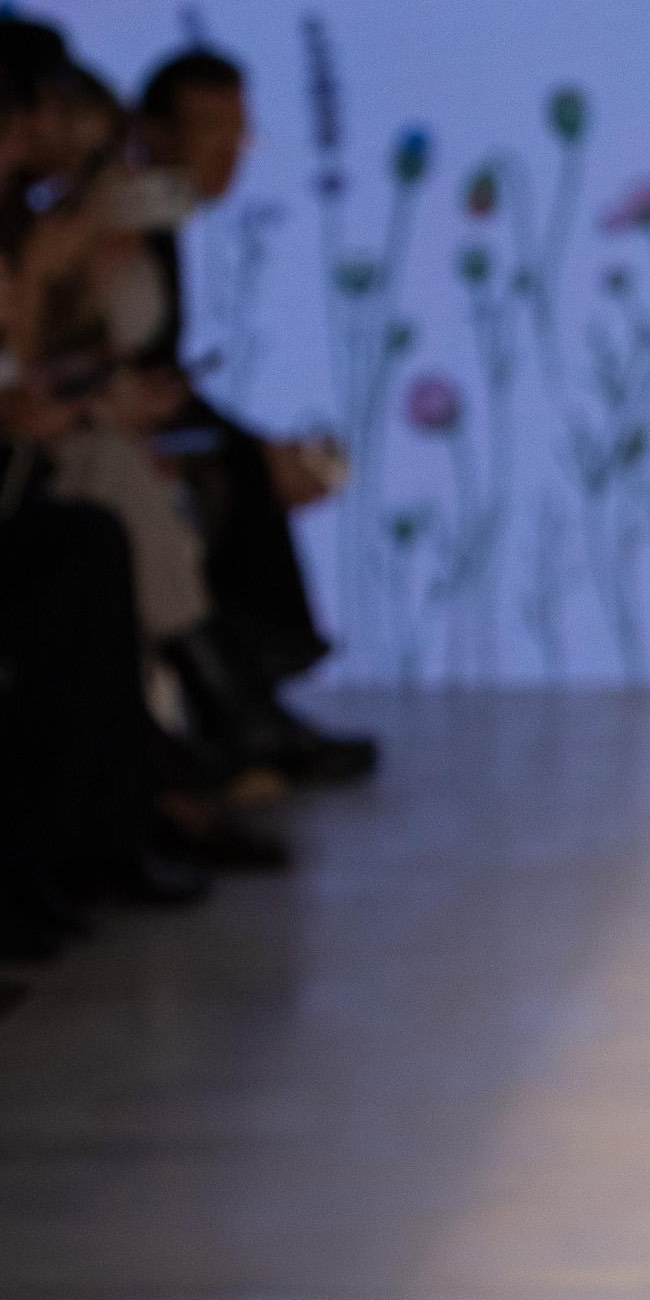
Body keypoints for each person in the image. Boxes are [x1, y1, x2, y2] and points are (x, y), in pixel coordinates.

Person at [128, 45, 376, 782]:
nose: (227, 154)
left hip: (138, 427)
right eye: (208, 130)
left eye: (239, 134)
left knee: (240, 466)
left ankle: (250, 701)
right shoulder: (121, 224)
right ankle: (241, 708)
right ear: (153, 132)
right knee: (233, 472)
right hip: (94, 439)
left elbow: (158, 374)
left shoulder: (160, 226)